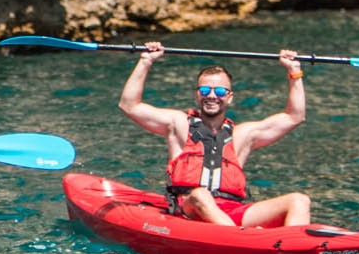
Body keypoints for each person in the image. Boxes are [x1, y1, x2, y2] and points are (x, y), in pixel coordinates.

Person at [118, 41, 310, 227]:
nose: (211, 96)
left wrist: (293, 71)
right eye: (204, 90)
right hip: (190, 207)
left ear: (229, 97)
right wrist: (146, 61)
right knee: (201, 194)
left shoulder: (242, 135)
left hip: (232, 211)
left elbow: (295, 116)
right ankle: (239, 240)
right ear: (197, 95)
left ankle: (293, 251)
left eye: (219, 91)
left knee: (299, 200)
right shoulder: (178, 124)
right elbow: (129, 106)